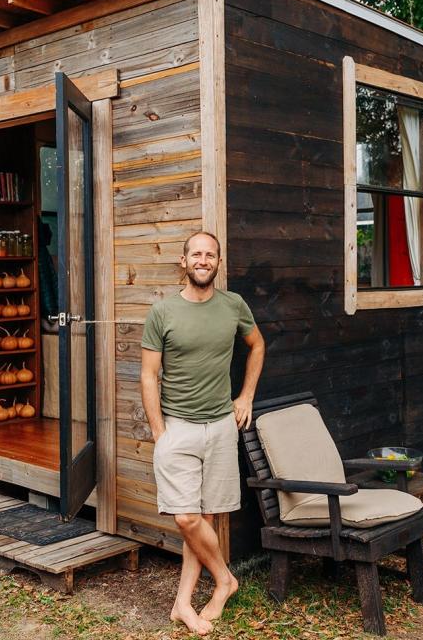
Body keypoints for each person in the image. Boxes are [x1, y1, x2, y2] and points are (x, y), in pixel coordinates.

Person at [140, 231, 265, 635]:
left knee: (206, 517)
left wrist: (245, 396)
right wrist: (160, 433)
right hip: (178, 428)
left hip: (221, 427)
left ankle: (183, 603)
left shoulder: (233, 306)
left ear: (218, 262)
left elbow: (257, 345)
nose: (203, 260)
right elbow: (147, 376)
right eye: (196, 253)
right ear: (184, 261)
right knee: (186, 517)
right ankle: (225, 579)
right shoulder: (163, 312)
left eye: (210, 255)